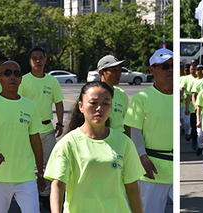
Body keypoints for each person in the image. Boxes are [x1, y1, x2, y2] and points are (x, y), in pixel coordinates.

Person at [45, 82, 145, 213]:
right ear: (81, 106)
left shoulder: (124, 142)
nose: (99, 108)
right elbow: (58, 185)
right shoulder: (68, 143)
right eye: (93, 103)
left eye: (105, 103)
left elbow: (132, 188)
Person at [0, 60, 46, 212]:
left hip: (26, 176)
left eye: (17, 73)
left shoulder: (30, 105)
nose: (12, 76)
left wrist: (40, 174)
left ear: (21, 78)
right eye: (7, 73)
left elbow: (36, 142)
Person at [124, 48, 173, 213]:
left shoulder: (182, 95)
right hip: (153, 168)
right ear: (152, 70)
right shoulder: (142, 98)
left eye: (174, 66)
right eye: (165, 66)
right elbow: (134, 130)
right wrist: (142, 157)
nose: (170, 70)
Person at [18, 47, 65, 208]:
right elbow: (18, 104)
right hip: (28, 130)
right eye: (34, 58)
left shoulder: (52, 81)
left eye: (40, 57)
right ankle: (31, 194)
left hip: (47, 129)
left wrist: (59, 122)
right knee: (29, 163)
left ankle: (45, 195)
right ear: (30, 61)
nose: (38, 61)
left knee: (50, 164)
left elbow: (58, 102)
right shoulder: (23, 80)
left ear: (45, 60)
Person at [96, 55, 130, 137]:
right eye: (114, 70)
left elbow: (127, 122)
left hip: (119, 140)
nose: (118, 74)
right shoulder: (93, 94)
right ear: (101, 72)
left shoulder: (121, 94)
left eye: (119, 70)